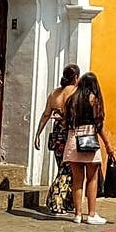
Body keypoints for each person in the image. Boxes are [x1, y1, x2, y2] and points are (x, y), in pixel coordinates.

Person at [62, 71, 114, 226]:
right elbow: (99, 125)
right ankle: (91, 214)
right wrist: (107, 144)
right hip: (89, 139)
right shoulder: (94, 100)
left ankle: (77, 214)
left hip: (73, 139)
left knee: (77, 180)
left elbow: (65, 122)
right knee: (92, 178)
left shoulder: (71, 100)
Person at [31, 63, 81, 217]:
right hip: (70, 134)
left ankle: (66, 201)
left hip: (57, 134)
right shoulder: (76, 92)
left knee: (63, 166)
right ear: (76, 77)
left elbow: (46, 114)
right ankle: (55, 199)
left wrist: (38, 133)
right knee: (68, 169)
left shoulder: (54, 94)